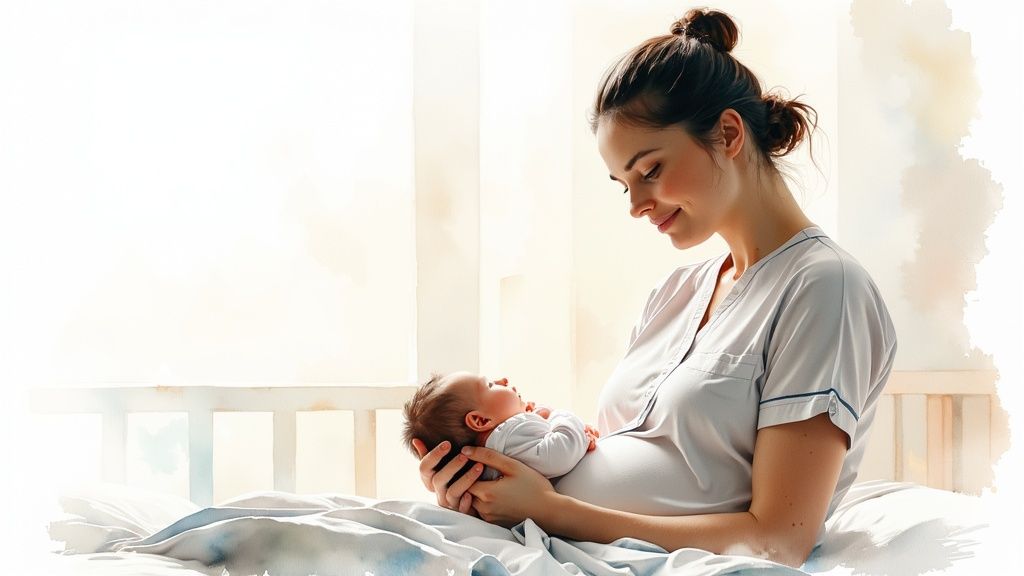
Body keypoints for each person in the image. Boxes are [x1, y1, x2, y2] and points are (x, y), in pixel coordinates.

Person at [409, 7, 897, 569]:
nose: (638, 206)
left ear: (729, 134)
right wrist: (480, 487)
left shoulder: (823, 288)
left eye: (650, 170)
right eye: (624, 185)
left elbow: (778, 540)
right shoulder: (677, 291)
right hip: (559, 546)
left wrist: (550, 511)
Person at [401, 372, 599, 481]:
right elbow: (559, 454)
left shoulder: (496, 452)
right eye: (490, 385)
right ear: (481, 421)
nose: (503, 380)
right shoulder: (510, 431)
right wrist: (560, 417)